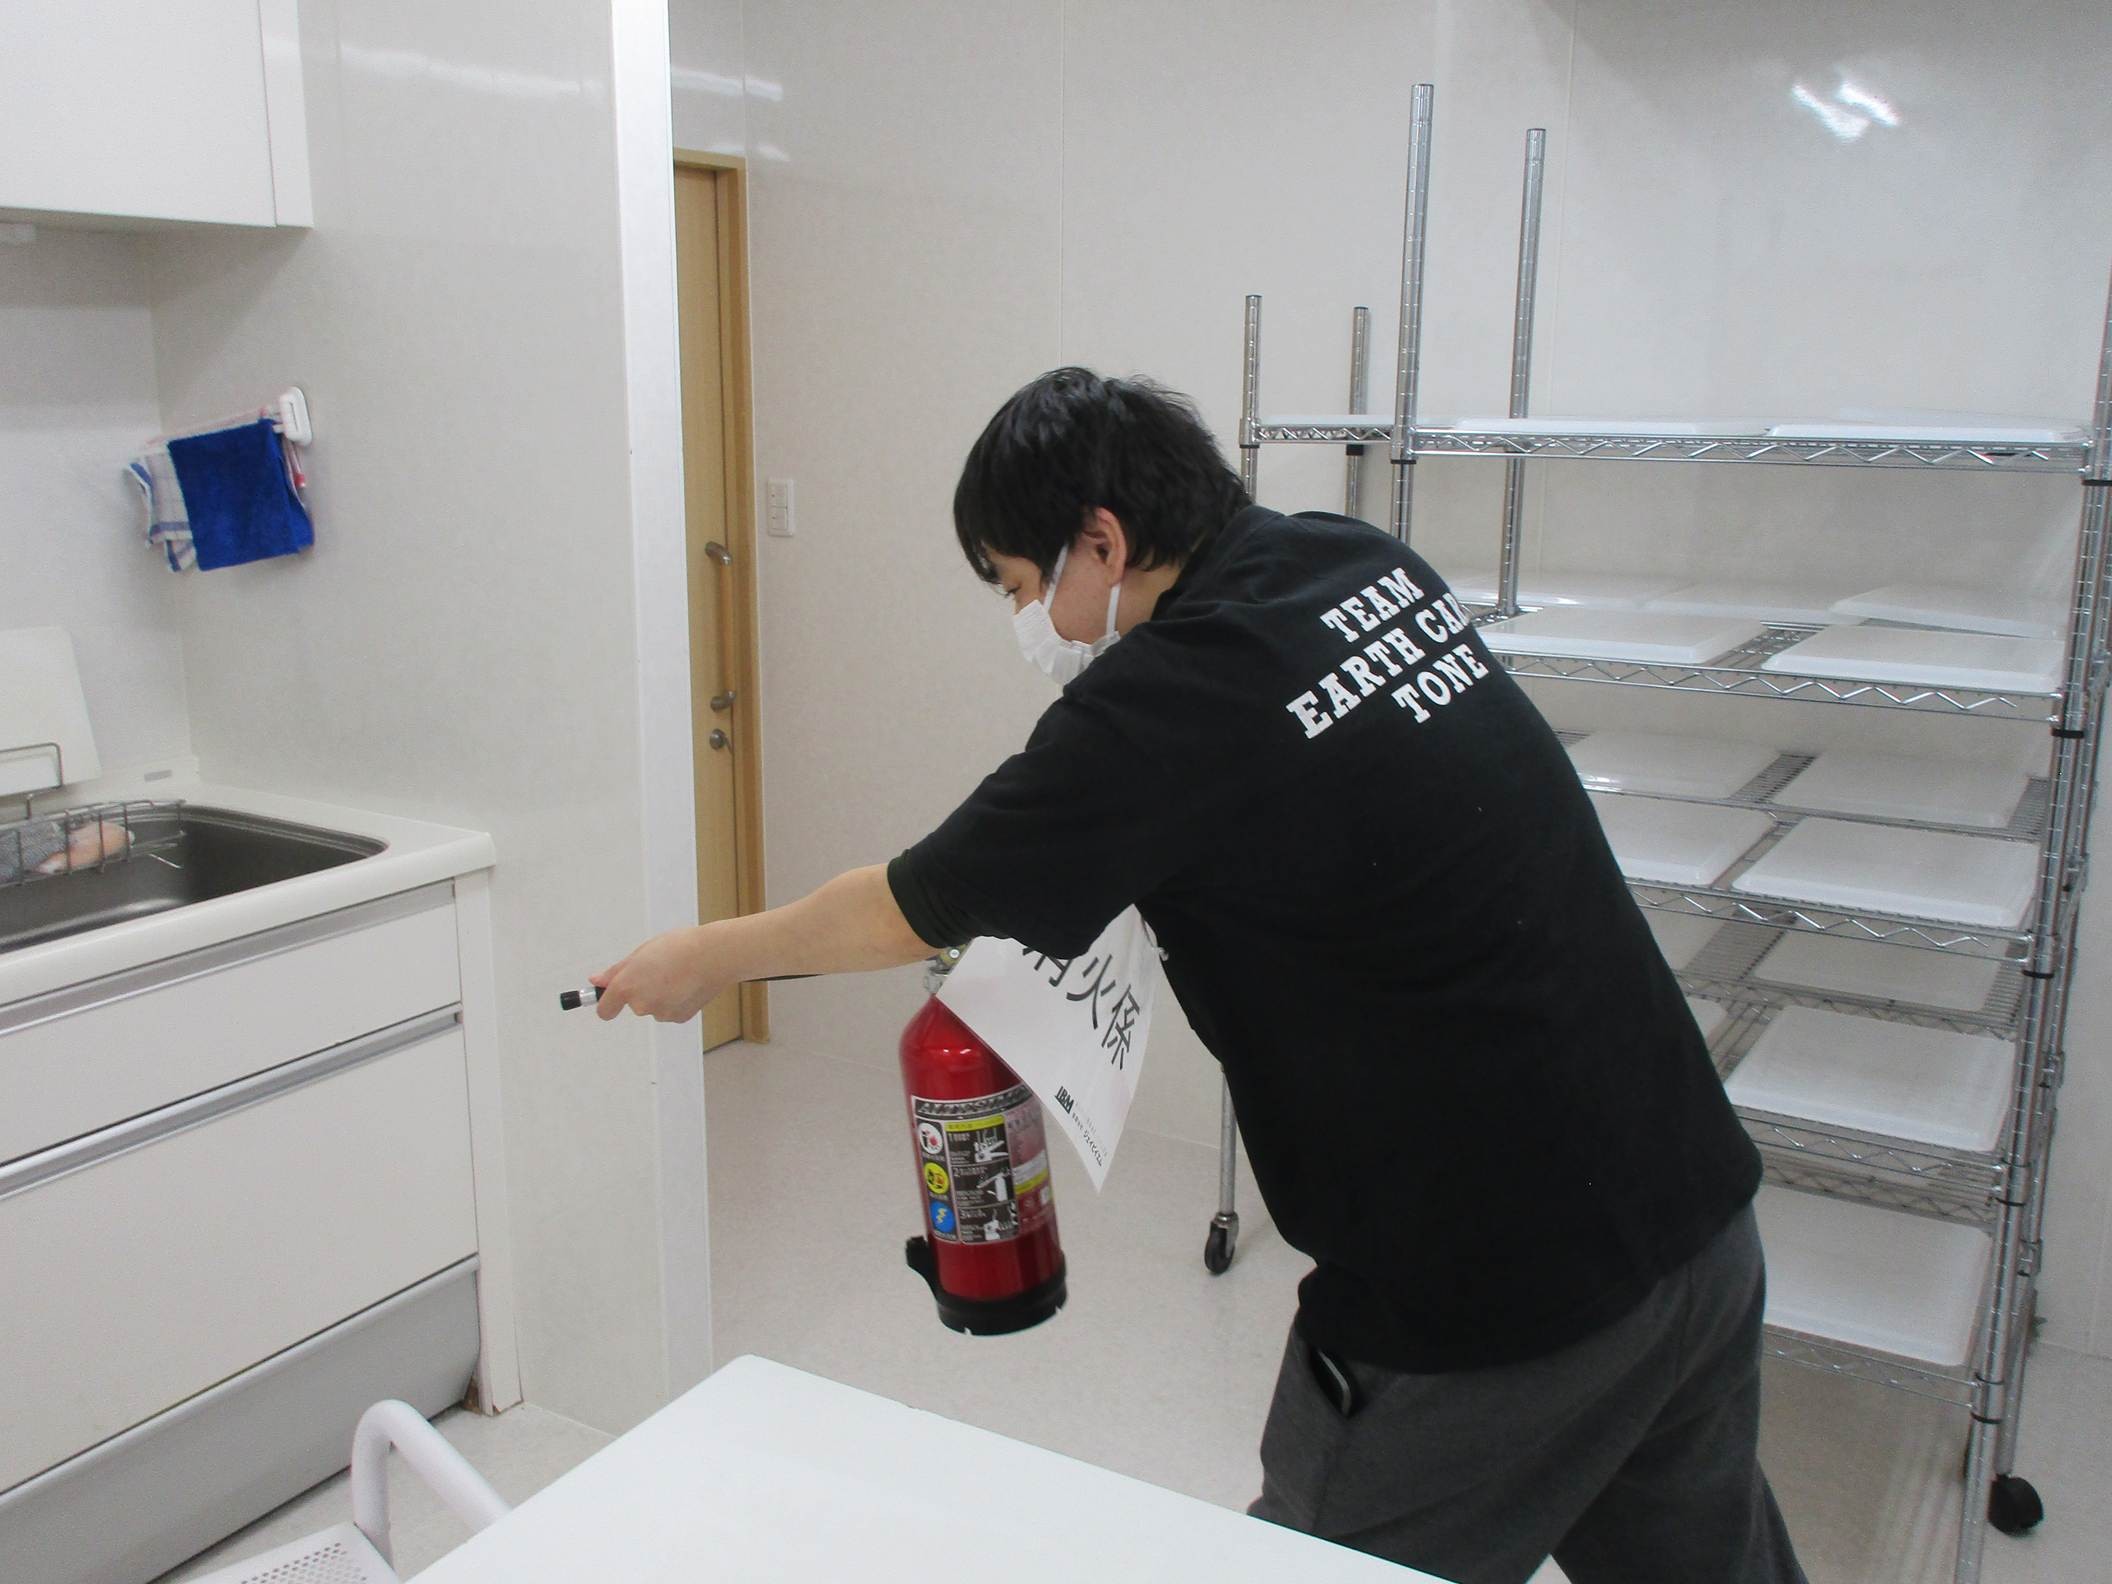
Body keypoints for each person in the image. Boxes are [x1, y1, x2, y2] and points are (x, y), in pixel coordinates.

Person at [594, 368, 1807, 1584]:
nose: (1032, 622)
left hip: (1494, 1307)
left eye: (1020, 586)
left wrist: (706, 957)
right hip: (1692, 1206)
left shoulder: (1163, 703)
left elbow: (908, 904)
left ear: (1101, 541)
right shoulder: (1355, 561)